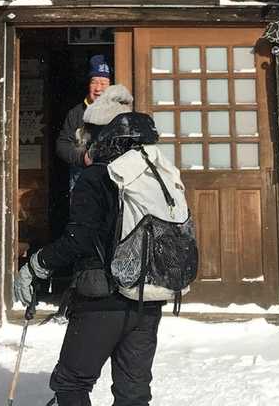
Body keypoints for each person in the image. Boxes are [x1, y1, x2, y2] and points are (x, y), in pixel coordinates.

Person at [15, 84, 170, 406]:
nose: (83, 139)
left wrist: (37, 265)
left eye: (87, 133)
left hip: (103, 298)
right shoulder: (154, 175)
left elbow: (79, 239)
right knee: (133, 393)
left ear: (101, 135)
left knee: (71, 383)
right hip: (148, 297)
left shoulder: (96, 177)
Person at [55, 55, 112, 192]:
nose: (98, 88)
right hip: (81, 177)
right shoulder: (76, 113)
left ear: (111, 87)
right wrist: (83, 157)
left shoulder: (118, 112)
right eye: (94, 82)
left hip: (111, 177)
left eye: (103, 83)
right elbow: (62, 145)